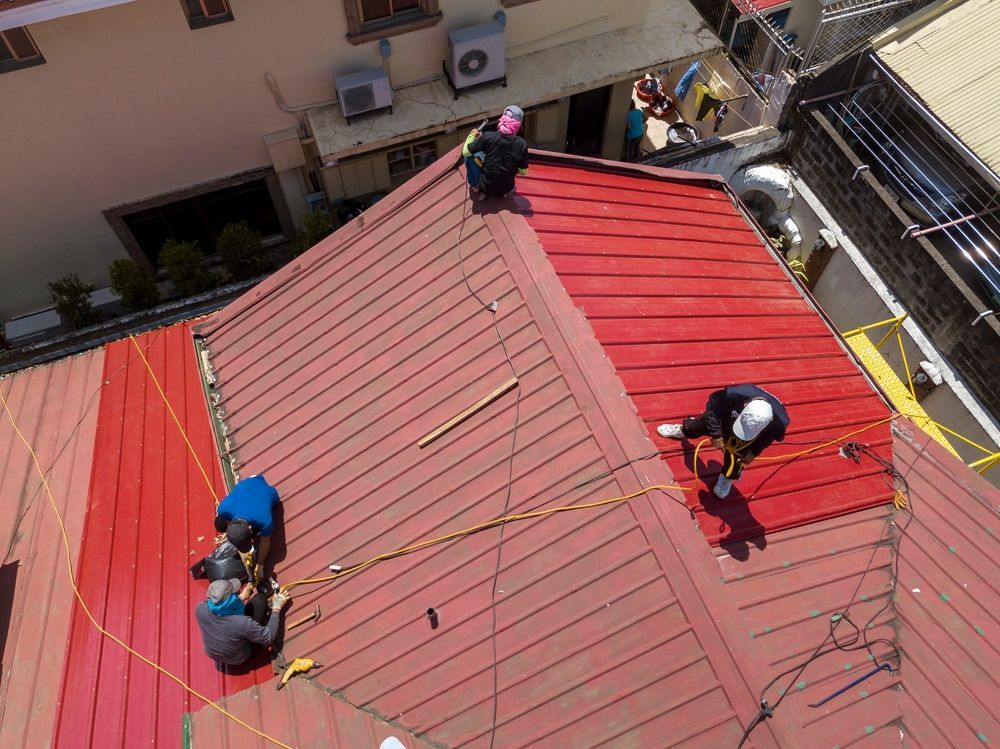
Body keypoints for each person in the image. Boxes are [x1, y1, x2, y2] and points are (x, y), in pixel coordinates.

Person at [656, 384, 790, 499]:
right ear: (745, 405)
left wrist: (753, 453)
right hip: (725, 419)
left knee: (738, 459)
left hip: (748, 440)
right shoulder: (735, 394)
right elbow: (712, 409)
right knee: (698, 425)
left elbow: (767, 439)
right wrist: (716, 436)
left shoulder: (779, 422)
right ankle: (684, 429)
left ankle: (727, 477)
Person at [195, 578, 290, 667]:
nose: (237, 593)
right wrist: (277, 607)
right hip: (239, 658)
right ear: (230, 600)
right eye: (234, 594)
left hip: (215, 654)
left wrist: (241, 597)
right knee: (259, 600)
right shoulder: (241, 623)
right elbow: (269, 637)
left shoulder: (200, 608)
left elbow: (222, 608)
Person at [214, 474, 280, 580]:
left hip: (268, 491)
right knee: (219, 524)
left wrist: (260, 566)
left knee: (260, 530)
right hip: (251, 480)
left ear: (250, 528)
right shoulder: (222, 508)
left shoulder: (264, 520)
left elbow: (265, 541)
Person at [463, 105, 529, 200]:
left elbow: (466, 152)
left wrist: (472, 136)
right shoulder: (522, 144)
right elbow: (523, 172)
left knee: (470, 156)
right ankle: (503, 192)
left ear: (502, 119)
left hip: (485, 187)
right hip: (507, 188)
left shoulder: (488, 136)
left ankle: (475, 186)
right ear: (518, 125)